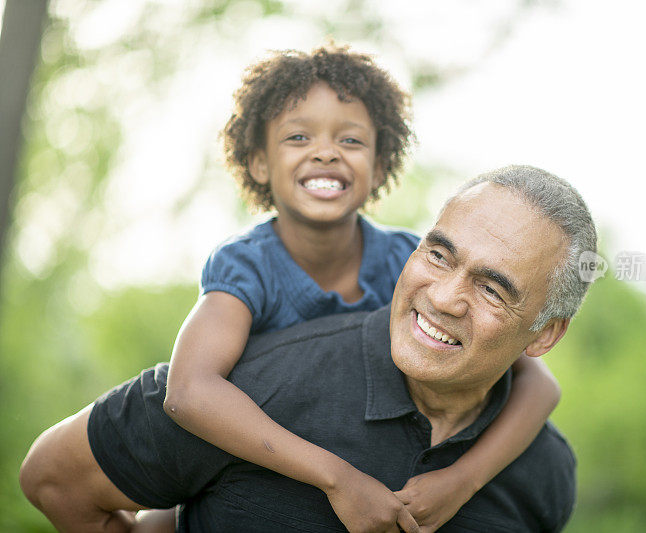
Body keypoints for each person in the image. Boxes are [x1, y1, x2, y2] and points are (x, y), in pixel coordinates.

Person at [21, 44, 561, 531]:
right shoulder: (246, 267)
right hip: (238, 457)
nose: (326, 152)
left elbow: (540, 386)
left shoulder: (408, 259)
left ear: (379, 166)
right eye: (298, 136)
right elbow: (188, 393)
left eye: (350, 140)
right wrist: (338, 479)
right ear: (258, 161)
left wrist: (461, 480)